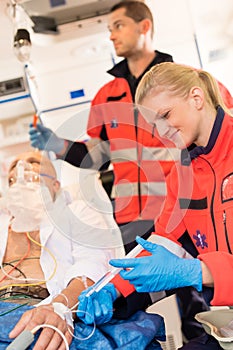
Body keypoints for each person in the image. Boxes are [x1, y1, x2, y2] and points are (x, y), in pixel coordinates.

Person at [28, 0, 233, 342]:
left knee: (195, 306)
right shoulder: (109, 96)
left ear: (144, 26)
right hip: (140, 218)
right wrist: (56, 144)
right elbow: (95, 156)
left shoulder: (190, 80)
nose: (111, 35)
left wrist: (195, 270)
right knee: (131, 301)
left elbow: (220, 132)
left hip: (195, 221)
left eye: (118, 25)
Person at [77, 62, 233, 350]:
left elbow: (183, 266)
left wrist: (196, 273)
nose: (161, 132)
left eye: (166, 116)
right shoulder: (182, 174)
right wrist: (110, 290)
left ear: (196, 99)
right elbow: (164, 245)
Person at [0, 150, 123, 349]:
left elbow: (93, 263)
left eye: (33, 162)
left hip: (44, 305)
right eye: (14, 167)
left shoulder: (78, 213)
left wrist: (60, 306)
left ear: (55, 185)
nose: (22, 168)